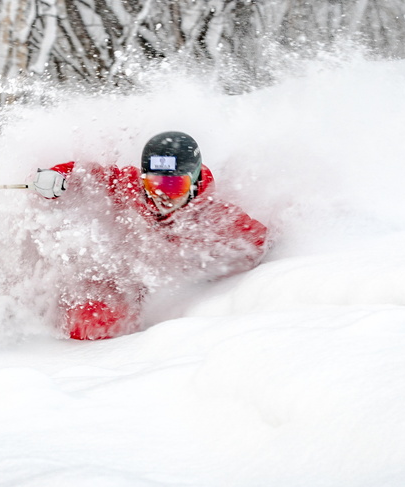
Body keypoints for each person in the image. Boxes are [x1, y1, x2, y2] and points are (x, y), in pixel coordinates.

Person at [30, 131, 268, 340]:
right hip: (125, 278)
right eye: (154, 184)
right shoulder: (132, 187)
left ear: (194, 182)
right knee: (86, 321)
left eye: (174, 186)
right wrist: (59, 176)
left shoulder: (216, 218)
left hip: (168, 297)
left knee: (101, 325)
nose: (163, 195)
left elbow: (261, 244)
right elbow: (92, 176)